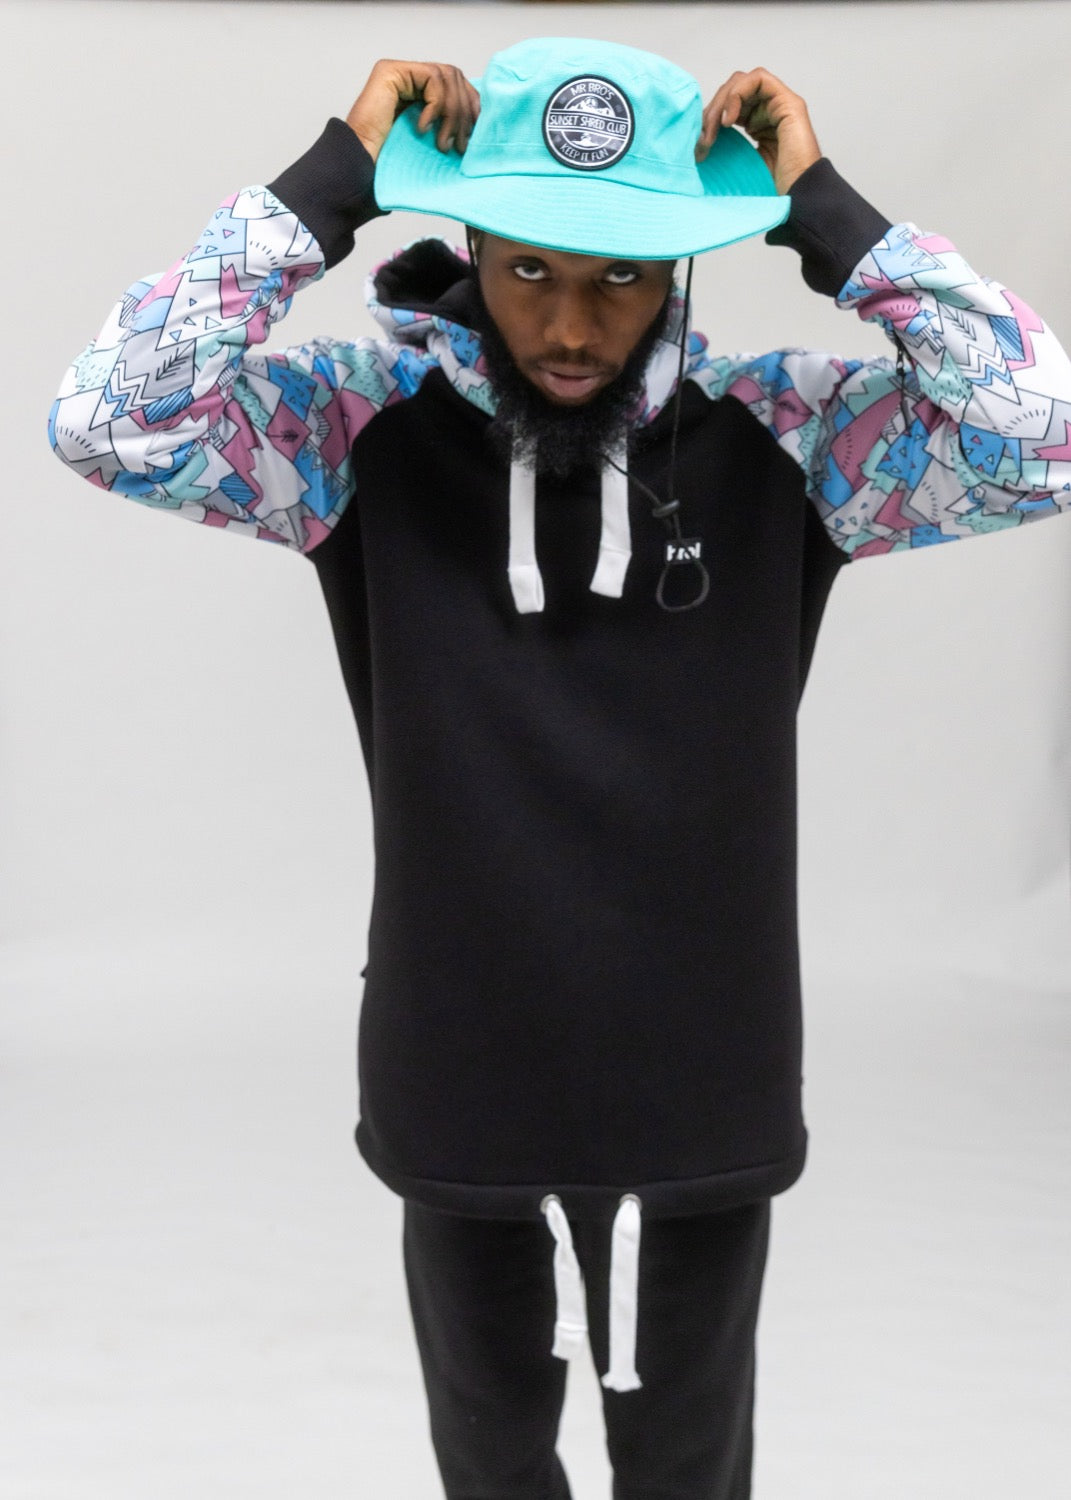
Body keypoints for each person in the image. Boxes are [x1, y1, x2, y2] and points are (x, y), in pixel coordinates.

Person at [47, 36, 1071, 1500]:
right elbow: (106, 418)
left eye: (622, 277)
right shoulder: (356, 429)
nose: (573, 326)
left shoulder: (789, 436)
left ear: (681, 273)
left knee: (690, 1471)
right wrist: (337, 180)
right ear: (469, 247)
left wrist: (827, 213)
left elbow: (1044, 437)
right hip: (454, 1056)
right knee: (488, 1464)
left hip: (702, 1067)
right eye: (529, 269)